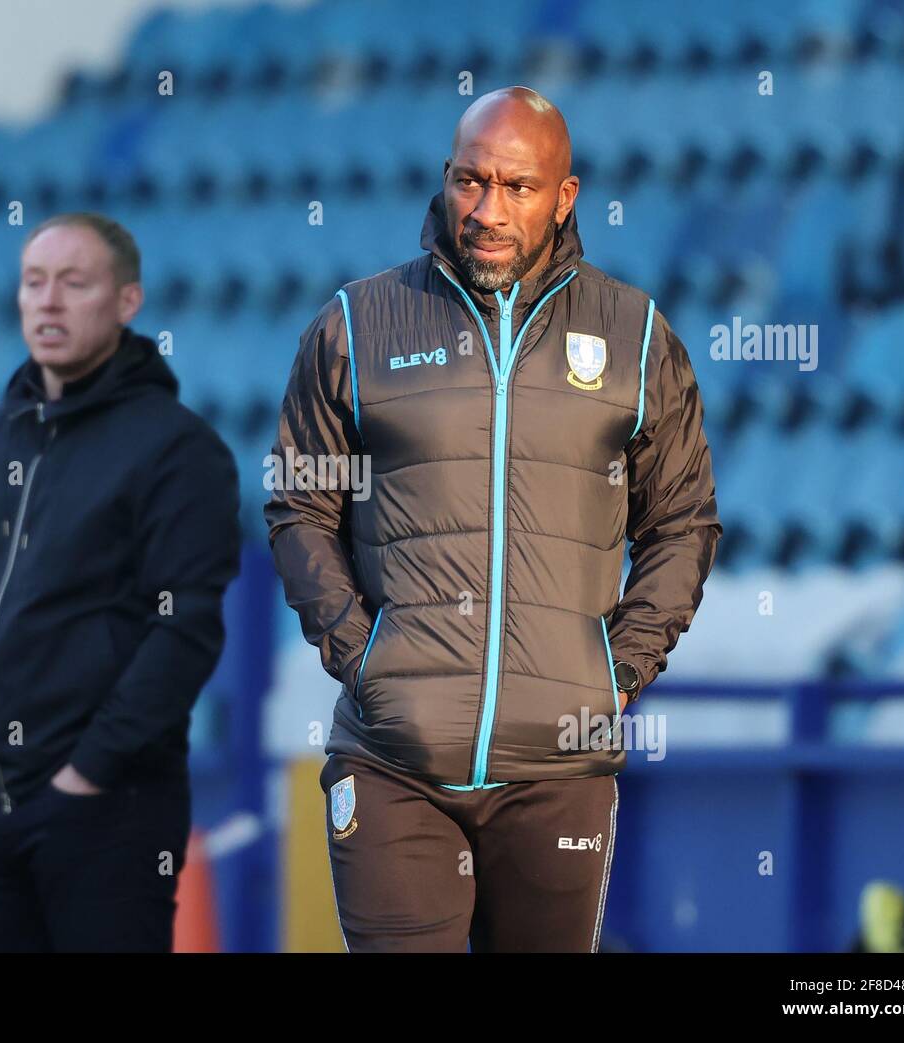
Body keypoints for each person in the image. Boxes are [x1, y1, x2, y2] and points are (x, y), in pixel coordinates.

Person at [264, 87, 722, 952]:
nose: (487, 209)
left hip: (559, 768)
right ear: (446, 179)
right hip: (394, 759)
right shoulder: (357, 326)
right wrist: (364, 659)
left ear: (565, 196)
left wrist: (613, 674)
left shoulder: (635, 335)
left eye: (517, 187)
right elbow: (300, 503)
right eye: (471, 182)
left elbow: (683, 522)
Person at [0, 212, 242, 952]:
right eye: (34, 282)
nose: (48, 301)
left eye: (74, 282)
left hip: (108, 816)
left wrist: (87, 773)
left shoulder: (177, 450)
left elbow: (185, 631)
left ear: (127, 302)